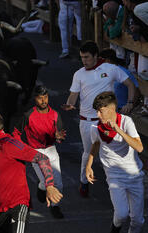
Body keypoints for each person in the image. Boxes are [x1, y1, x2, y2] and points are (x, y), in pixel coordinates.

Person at [62, 41, 136, 198]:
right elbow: (73, 95)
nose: (84, 61)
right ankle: (84, 182)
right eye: (82, 57)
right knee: (88, 153)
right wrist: (69, 104)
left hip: (107, 122)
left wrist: (130, 103)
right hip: (86, 122)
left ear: (96, 56)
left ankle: (117, 187)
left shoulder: (111, 69)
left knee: (112, 154)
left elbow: (130, 85)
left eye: (87, 57)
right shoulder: (79, 74)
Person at [86, 91, 144, 233]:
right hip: (114, 176)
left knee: (138, 221)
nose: (98, 115)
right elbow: (95, 144)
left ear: (111, 109)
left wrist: (118, 130)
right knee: (122, 214)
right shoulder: (95, 127)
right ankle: (115, 229)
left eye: (101, 111)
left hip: (135, 176)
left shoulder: (126, 122)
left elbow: (139, 147)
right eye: (97, 111)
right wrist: (88, 166)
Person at [18, 85, 65, 219]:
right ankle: (42, 187)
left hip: (51, 150)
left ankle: (55, 207)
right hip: (36, 152)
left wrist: (59, 138)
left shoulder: (55, 114)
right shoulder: (28, 115)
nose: (43, 101)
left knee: (59, 184)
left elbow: (60, 134)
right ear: (35, 99)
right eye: (40, 98)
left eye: (46, 97)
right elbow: (17, 133)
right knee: (46, 182)